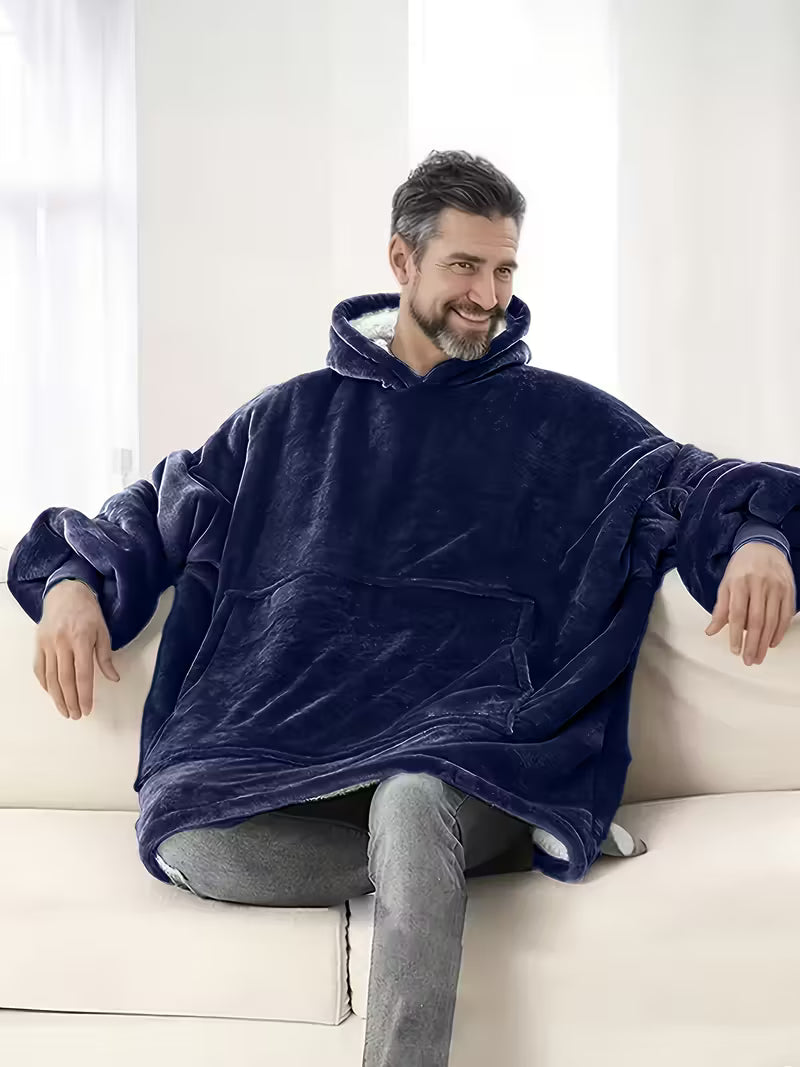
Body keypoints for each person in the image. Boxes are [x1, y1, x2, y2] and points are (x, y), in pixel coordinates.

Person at [15, 150, 797, 1067]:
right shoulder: (285, 420)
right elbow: (154, 506)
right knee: (187, 835)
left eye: (504, 269)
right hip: (283, 744)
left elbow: (694, 481)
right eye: (465, 266)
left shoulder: (564, 420)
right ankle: (471, 856)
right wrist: (71, 581)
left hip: (469, 751)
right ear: (401, 260)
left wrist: (760, 538)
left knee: (414, 798)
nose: (488, 295)